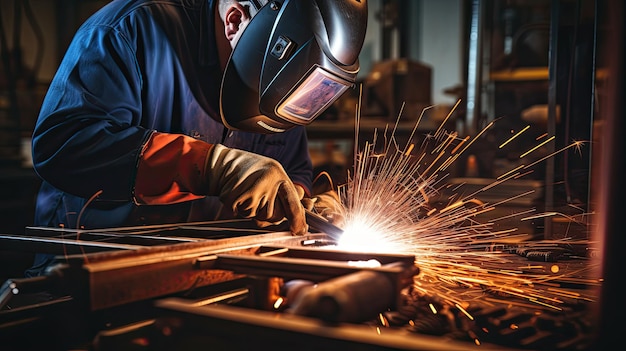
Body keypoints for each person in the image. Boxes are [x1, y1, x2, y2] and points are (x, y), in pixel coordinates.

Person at [26, 0, 367, 277]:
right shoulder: (130, 31)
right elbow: (63, 143)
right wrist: (210, 167)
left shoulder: (285, 86)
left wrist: (300, 202)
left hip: (208, 278)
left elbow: (294, 171)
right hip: (88, 274)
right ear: (235, 20)